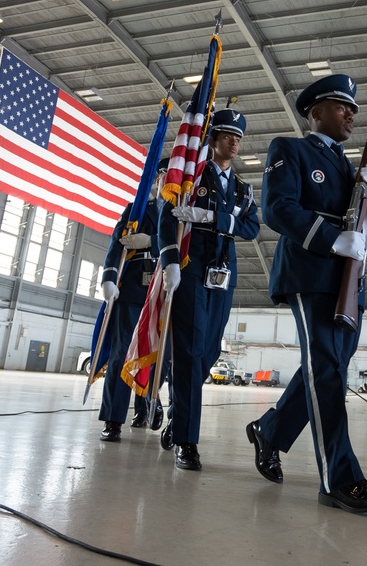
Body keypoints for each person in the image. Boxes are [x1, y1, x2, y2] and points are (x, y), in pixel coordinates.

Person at [245, 74, 367, 515]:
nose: (351, 114)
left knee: (327, 369)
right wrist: (331, 238)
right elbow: (278, 208)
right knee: (327, 370)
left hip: (347, 280)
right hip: (309, 273)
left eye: (353, 108)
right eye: (341, 105)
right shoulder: (289, 149)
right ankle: (340, 480)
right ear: (315, 112)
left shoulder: (352, 169)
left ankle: (270, 431)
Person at [158, 109, 260, 471]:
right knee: (188, 348)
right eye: (227, 136)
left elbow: (252, 228)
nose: (234, 143)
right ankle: (186, 439)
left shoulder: (243, 189)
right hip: (191, 265)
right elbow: (165, 218)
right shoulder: (191, 178)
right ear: (212, 140)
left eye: (239, 138)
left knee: (208, 350)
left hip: (222, 272)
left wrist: (215, 218)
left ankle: (178, 413)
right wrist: (170, 261)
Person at [96, 159, 168, 442]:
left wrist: (152, 240)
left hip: (166, 293)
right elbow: (117, 243)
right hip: (135, 292)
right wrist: (110, 278)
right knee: (121, 354)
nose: (168, 180)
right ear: (158, 178)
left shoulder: (182, 215)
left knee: (158, 356)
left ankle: (145, 404)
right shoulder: (137, 209)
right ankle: (113, 419)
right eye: (165, 174)